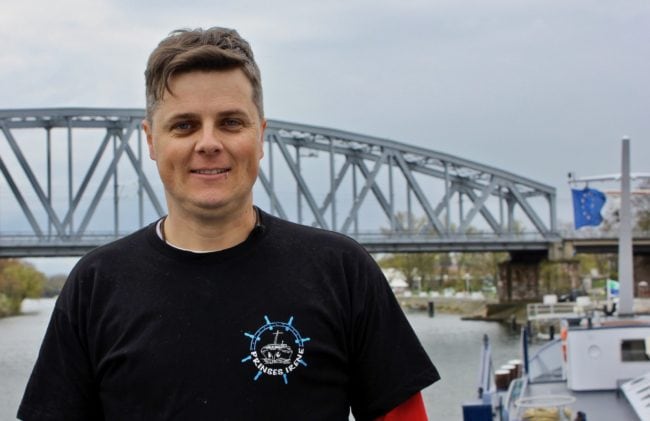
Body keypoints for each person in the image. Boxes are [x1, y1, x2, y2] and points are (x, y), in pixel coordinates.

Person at [18, 27, 439, 420]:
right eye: (184, 126)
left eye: (231, 122)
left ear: (261, 135)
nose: (208, 143)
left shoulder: (342, 270)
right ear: (150, 140)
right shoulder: (95, 284)